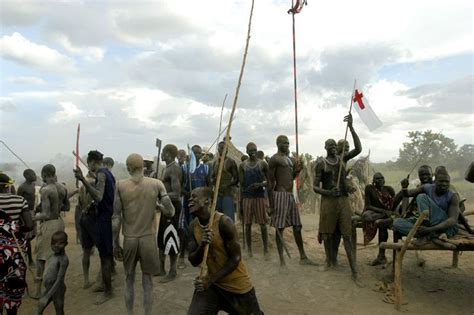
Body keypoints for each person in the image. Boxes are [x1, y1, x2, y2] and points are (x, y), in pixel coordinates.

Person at [113, 153, 175, 315]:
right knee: (147, 282)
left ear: (128, 167)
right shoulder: (156, 184)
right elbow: (171, 211)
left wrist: (115, 242)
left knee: (129, 280)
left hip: (130, 239)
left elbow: (116, 217)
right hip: (148, 239)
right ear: (142, 166)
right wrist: (158, 206)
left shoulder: (120, 185)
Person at [187, 187, 263, 315]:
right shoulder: (193, 226)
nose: (190, 200)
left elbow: (236, 259)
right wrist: (203, 245)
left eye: (194, 197)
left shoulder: (224, 223)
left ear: (207, 201)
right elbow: (193, 260)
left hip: (237, 287)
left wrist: (210, 280)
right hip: (213, 287)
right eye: (190, 197)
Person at [313, 113, 361, 281]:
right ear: (325, 147)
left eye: (335, 144)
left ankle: (354, 269)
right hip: (328, 201)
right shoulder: (321, 163)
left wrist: (352, 128)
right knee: (327, 233)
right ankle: (329, 261)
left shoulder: (342, 158)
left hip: (342, 200)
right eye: (330, 144)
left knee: (346, 234)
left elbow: (358, 149)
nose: (333, 146)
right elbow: (314, 187)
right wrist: (327, 192)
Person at [74, 150, 116, 304]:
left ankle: (108, 291)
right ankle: (106, 286)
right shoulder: (106, 174)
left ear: (92, 162)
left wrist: (83, 181)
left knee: (104, 257)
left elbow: (98, 196)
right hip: (105, 218)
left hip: (104, 219)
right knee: (105, 255)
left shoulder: (102, 175)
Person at [268, 135, 315, 267]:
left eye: (288, 143)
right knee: (280, 228)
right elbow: (270, 182)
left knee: (297, 226)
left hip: (290, 196)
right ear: (278, 144)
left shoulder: (289, 159)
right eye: (284, 143)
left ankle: (303, 256)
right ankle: (282, 260)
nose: (287, 145)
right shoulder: (274, 159)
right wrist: (271, 204)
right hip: (279, 195)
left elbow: (291, 177)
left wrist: (297, 171)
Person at [393, 167, 460, 239]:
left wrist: (430, 229)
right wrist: (404, 187)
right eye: (441, 181)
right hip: (429, 222)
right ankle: (427, 233)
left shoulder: (453, 196)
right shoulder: (427, 187)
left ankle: (427, 231)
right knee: (397, 223)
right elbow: (407, 194)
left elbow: (453, 220)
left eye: (447, 182)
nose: (444, 184)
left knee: (421, 197)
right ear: (435, 181)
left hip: (442, 223)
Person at [0, 173, 33, 315]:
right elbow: (30, 225)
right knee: (13, 286)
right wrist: (16, 232)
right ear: (8, 186)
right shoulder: (20, 200)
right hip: (15, 250)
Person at [33, 164, 65, 299]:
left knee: (41, 257)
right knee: (57, 255)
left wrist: (33, 217)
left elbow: (45, 214)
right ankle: (57, 285)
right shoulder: (62, 188)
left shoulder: (45, 190)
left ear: (44, 175)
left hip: (49, 225)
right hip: (59, 223)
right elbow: (67, 207)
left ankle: (38, 290)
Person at [179, 145, 209, 269]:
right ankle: (182, 256)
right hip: (188, 203)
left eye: (198, 153)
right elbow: (180, 186)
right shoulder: (185, 168)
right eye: (194, 153)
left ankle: (202, 256)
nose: (196, 155)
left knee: (201, 228)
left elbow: (208, 186)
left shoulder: (205, 168)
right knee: (185, 229)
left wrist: (203, 196)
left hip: (201, 205)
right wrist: (188, 194)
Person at [156, 144, 182, 282]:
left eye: (163, 152)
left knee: (171, 239)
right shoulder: (167, 168)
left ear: (168, 154)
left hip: (172, 208)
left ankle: (172, 271)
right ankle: (161, 269)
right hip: (166, 207)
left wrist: (160, 197)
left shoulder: (174, 168)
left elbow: (176, 194)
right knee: (162, 238)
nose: (161, 155)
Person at [239, 142, 269, 258]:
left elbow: (269, 181)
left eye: (254, 150)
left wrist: (260, 184)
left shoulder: (263, 164)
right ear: (246, 151)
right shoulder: (242, 166)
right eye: (250, 150)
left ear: (257, 150)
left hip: (259, 197)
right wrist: (241, 202)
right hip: (247, 197)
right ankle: (249, 250)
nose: (253, 152)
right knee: (247, 224)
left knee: (262, 224)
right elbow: (241, 185)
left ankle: (266, 250)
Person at [361, 173, 395, 265]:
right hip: (374, 212)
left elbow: (394, 204)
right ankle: (381, 257)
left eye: (381, 178)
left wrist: (390, 212)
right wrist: (383, 212)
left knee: (382, 225)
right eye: (377, 178)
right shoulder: (369, 188)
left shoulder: (389, 189)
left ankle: (381, 256)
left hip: (385, 214)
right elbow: (368, 206)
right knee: (366, 216)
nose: (380, 180)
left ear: (384, 180)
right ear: (374, 181)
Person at [37, 231, 69, 315]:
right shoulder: (52, 256)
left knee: (59, 310)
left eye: (60, 243)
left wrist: (47, 296)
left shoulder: (63, 259)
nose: (56, 245)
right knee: (38, 310)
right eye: (53, 243)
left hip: (58, 289)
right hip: (49, 288)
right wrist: (40, 278)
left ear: (66, 244)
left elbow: (59, 279)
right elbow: (50, 271)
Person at [77, 169, 97, 288]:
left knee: (86, 251)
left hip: (83, 216)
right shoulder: (94, 183)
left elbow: (80, 203)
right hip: (93, 218)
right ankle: (104, 279)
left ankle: (86, 280)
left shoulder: (81, 186)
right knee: (104, 250)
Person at [211, 141, 239, 222]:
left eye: (224, 148)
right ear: (218, 149)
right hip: (217, 194)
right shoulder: (215, 163)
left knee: (228, 219)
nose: (222, 150)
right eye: (220, 148)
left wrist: (227, 185)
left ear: (227, 150)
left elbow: (236, 179)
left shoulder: (231, 162)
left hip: (227, 193)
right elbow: (212, 177)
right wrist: (213, 181)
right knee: (218, 219)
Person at [17, 169, 37, 266]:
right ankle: (30, 260)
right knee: (28, 237)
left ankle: (23, 243)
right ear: (27, 176)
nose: (35, 175)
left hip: (32, 212)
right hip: (25, 213)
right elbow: (18, 200)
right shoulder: (22, 187)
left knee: (33, 234)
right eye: (33, 174)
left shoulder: (32, 186)